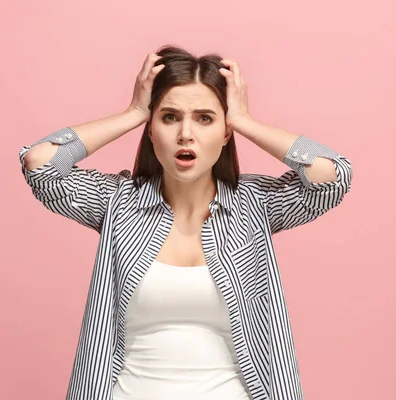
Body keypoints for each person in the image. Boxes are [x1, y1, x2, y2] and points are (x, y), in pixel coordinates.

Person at [19, 45, 353, 400]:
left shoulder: (256, 205)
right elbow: (41, 163)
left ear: (225, 133)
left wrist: (243, 121)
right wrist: (133, 112)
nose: (185, 134)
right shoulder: (117, 203)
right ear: (151, 130)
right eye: (169, 117)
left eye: (205, 118)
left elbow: (332, 175)